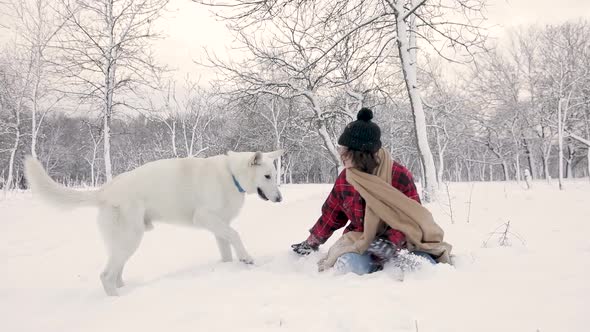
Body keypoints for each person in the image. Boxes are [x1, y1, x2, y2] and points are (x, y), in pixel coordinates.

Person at [291, 108, 451, 275]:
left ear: (362, 154)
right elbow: (331, 215)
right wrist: (311, 242)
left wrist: (390, 242)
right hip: (362, 240)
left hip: (404, 243)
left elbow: (411, 220)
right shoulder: (346, 178)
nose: (341, 155)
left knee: (421, 268)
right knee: (347, 267)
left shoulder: (398, 175)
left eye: (346, 151)